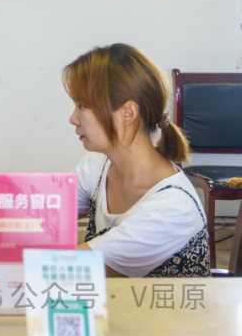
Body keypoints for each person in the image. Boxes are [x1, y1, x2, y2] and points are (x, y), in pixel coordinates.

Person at [65, 44, 209, 277]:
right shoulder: (95, 167)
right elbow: (41, 216)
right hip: (115, 300)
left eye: (82, 106)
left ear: (128, 113)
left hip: (158, 304)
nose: (73, 118)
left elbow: (67, 269)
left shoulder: (172, 207)